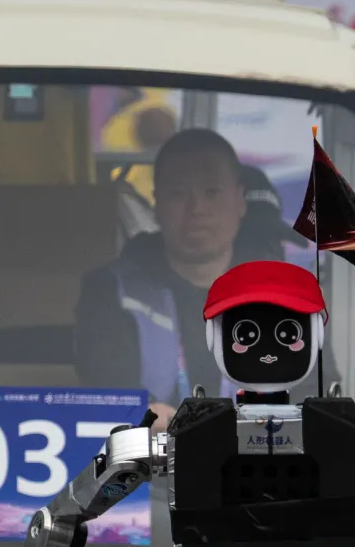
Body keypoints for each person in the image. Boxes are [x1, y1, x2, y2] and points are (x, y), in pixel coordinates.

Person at [74, 126, 283, 419]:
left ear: (239, 201)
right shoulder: (110, 291)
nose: (197, 208)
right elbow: (107, 393)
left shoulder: (288, 298)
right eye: (178, 193)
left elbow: (313, 399)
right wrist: (142, 416)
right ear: (157, 204)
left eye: (212, 191)